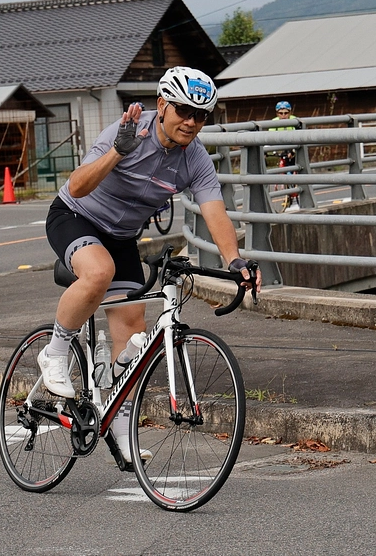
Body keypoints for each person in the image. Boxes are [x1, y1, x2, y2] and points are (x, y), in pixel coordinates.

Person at [38, 66, 260, 464]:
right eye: (183, 110)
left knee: (134, 337)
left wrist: (235, 259)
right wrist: (117, 152)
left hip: (121, 237)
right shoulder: (126, 132)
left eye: (201, 115)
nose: (191, 122)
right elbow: (76, 186)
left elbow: (215, 211)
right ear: (161, 105)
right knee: (99, 272)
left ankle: (120, 426)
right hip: (75, 216)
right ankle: (54, 353)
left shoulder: (195, 159)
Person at [268, 101, 301, 211]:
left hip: (293, 148)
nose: (283, 116)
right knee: (284, 165)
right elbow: (269, 137)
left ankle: (297, 192)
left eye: (286, 113)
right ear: (277, 113)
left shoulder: (294, 120)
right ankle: (288, 193)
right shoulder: (274, 123)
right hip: (282, 149)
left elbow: (299, 136)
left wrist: (293, 150)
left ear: (290, 112)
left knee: (296, 168)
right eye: (280, 113)